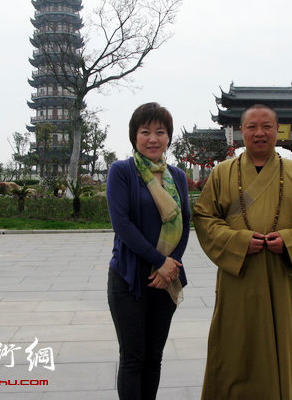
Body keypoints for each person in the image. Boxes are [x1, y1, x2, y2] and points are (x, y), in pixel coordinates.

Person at [193, 104, 292, 399]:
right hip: (237, 279)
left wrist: (290, 240)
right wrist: (238, 242)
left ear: (277, 131)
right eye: (252, 126)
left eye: (267, 126)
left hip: (281, 278)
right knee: (233, 348)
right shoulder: (222, 173)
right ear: (241, 131)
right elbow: (204, 218)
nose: (259, 133)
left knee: (279, 349)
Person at [106, 102, 190, 400]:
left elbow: (184, 224)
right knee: (133, 358)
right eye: (145, 132)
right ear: (135, 136)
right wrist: (159, 261)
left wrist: (171, 265)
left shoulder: (177, 176)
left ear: (168, 137)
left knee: (154, 358)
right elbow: (123, 226)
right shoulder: (122, 172)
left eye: (160, 132)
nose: (153, 138)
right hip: (130, 278)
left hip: (165, 279)